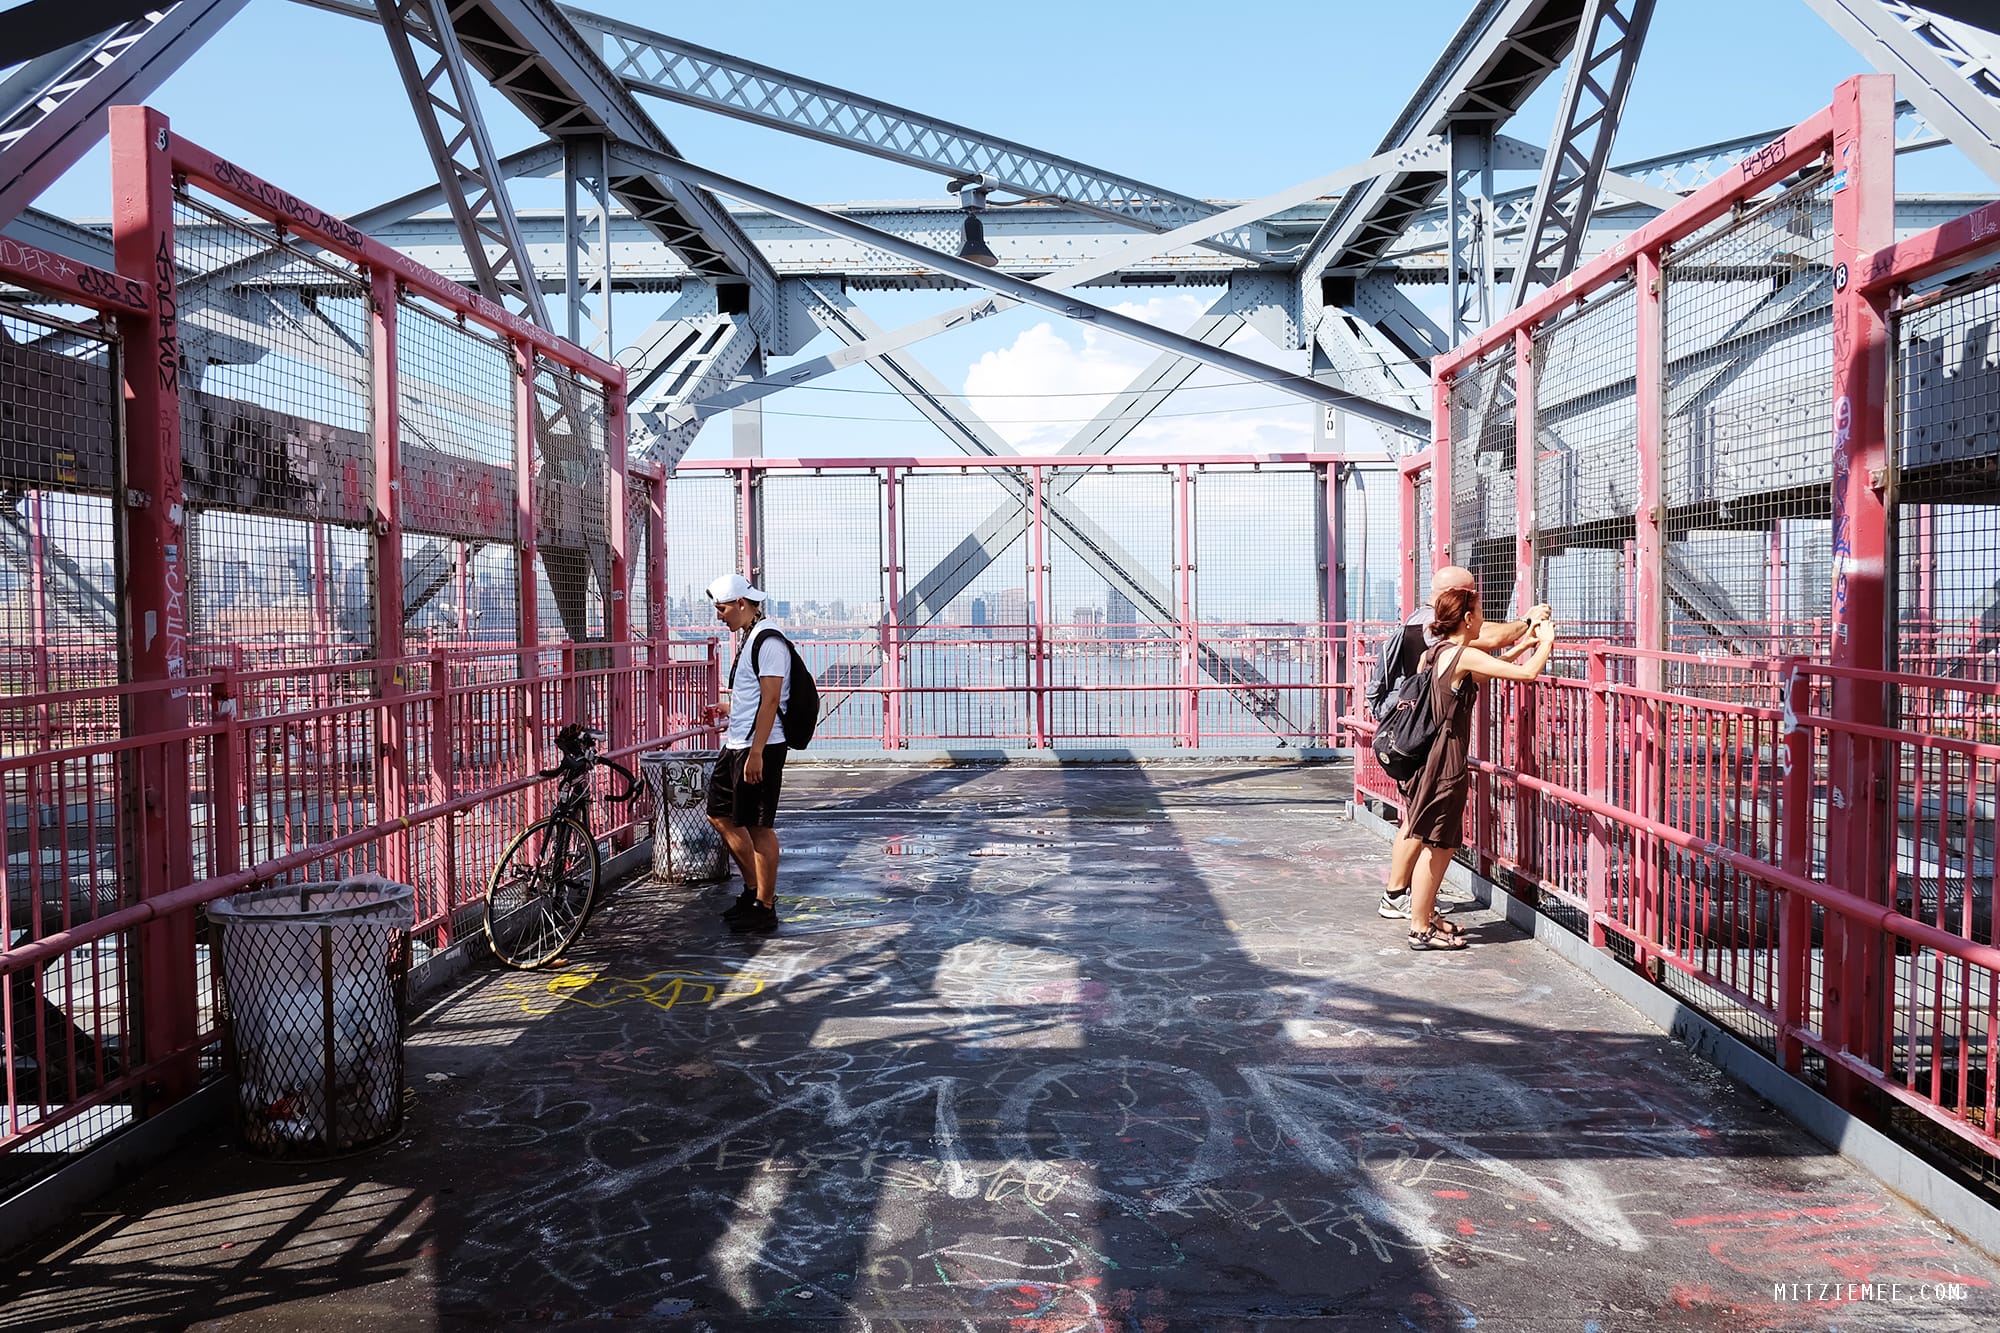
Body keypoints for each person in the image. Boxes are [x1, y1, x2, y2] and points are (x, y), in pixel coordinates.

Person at [1371, 567, 1550, 921]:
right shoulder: (1456, 650)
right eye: (1479, 610)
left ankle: (1409, 906)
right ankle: (1418, 919)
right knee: (1437, 841)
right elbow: (1518, 669)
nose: (1483, 620)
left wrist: (1524, 645)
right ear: (1466, 614)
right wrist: (1541, 638)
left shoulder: (1432, 648)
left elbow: (1481, 668)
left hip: (1417, 749)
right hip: (1438, 755)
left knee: (1419, 828)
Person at [704, 572, 791, 936]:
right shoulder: (750, 637)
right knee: (719, 814)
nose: (719, 616)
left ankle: (765, 907)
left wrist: (756, 753)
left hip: (760, 748)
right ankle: (754, 891)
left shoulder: (769, 640)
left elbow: (772, 700)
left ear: (742, 603)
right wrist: (730, 708)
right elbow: (755, 697)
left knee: (759, 826)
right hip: (738, 742)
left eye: (722, 609)